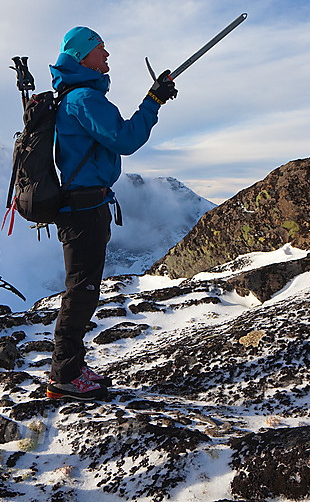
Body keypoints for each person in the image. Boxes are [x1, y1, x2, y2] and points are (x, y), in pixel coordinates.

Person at [46, 27, 178, 400]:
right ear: (82, 56)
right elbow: (125, 139)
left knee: (82, 288)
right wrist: (152, 102)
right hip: (85, 208)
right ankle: (65, 375)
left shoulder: (75, 96)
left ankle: (71, 367)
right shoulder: (85, 98)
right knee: (82, 291)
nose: (107, 56)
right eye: (100, 50)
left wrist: (153, 99)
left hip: (84, 204)